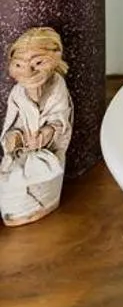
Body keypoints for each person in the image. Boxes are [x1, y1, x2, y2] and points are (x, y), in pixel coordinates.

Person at [1, 26, 73, 226]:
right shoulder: (17, 93)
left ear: (55, 58)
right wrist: (14, 137)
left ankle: (40, 205)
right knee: (10, 180)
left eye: (38, 63)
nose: (28, 72)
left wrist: (45, 134)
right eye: (19, 65)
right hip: (22, 152)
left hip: (46, 154)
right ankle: (15, 212)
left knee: (41, 176)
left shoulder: (57, 88)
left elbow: (60, 120)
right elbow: (12, 123)